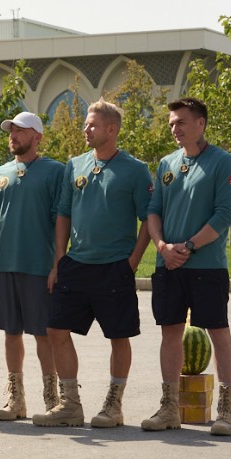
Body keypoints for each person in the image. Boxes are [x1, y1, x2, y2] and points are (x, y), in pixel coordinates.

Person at [35, 100, 153, 428]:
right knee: (55, 329)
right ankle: (70, 404)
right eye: (86, 124)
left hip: (115, 266)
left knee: (118, 335)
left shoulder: (135, 169)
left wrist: (133, 261)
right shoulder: (74, 166)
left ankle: (114, 405)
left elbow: (148, 218)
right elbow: (63, 213)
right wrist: (60, 257)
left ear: (111, 129)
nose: (85, 130)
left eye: (92, 125)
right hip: (76, 264)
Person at [142, 97, 231, 436]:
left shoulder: (222, 162)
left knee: (218, 331)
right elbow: (153, 210)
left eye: (181, 122)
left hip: (207, 266)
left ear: (201, 124)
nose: (175, 128)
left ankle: (227, 410)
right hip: (168, 265)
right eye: (172, 123)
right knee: (170, 332)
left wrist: (190, 245)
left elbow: (224, 214)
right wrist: (163, 246)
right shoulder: (166, 163)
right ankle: (170, 407)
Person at [0, 112, 63, 422]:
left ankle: (52, 398)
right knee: (10, 333)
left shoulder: (55, 172)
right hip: (4, 266)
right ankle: (17, 399)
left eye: (20, 131)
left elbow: (61, 221)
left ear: (37, 136)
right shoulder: (0, 173)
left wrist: (57, 264)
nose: (13, 135)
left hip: (40, 266)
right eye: (11, 131)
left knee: (44, 334)